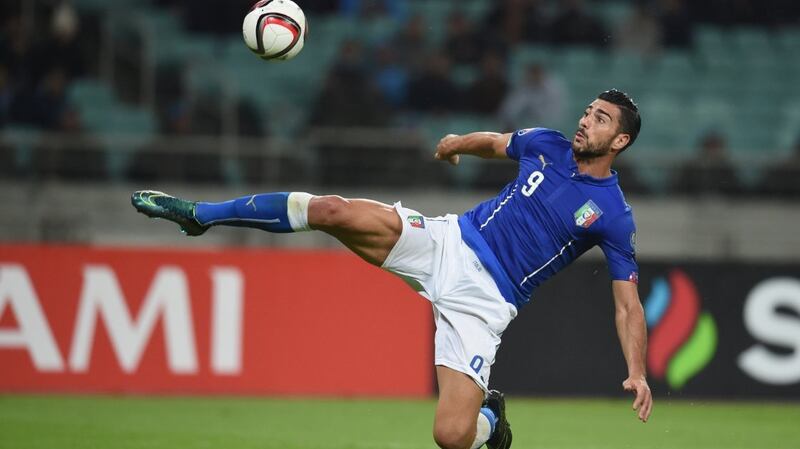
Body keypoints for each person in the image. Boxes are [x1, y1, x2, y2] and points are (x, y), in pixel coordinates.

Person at [132, 89, 653, 449]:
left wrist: (636, 371)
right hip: (448, 243)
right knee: (332, 210)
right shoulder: (547, 145)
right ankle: (202, 215)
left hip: (486, 303)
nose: (585, 121)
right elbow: (497, 143)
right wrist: (456, 143)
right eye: (588, 111)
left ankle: (491, 424)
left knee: (451, 436)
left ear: (620, 141)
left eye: (600, 119)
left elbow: (628, 305)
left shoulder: (613, 215)